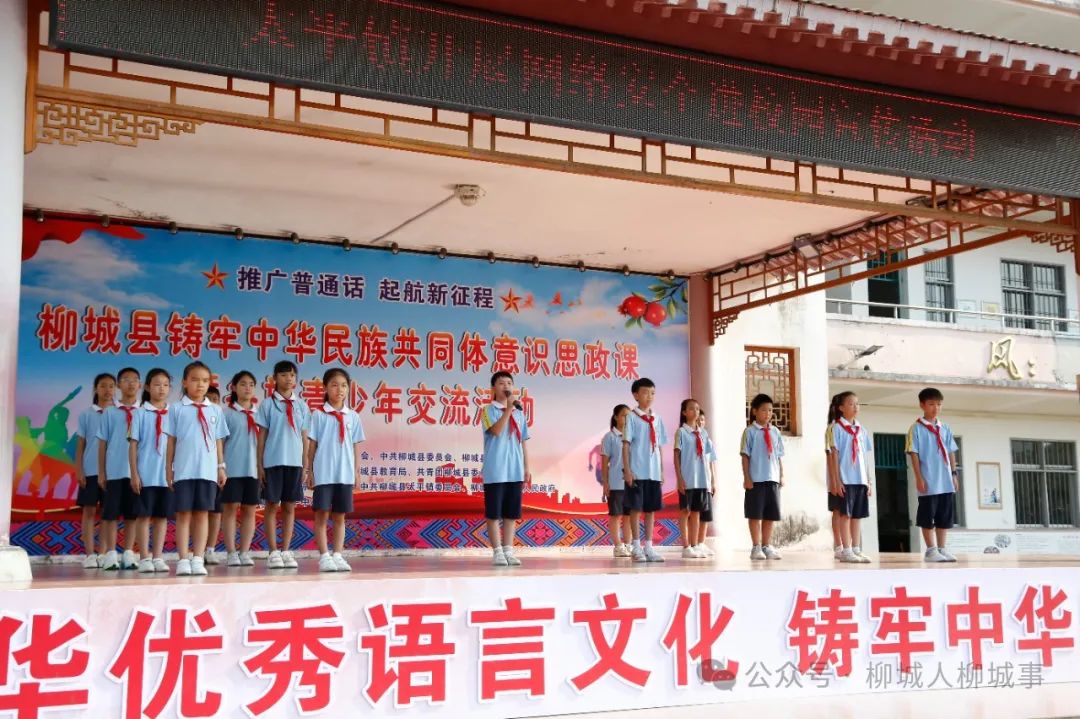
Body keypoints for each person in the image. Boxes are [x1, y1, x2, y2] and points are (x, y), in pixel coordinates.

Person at [165, 361, 229, 576]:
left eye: (204, 380)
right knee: (184, 515)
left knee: (202, 514)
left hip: (207, 471)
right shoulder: (176, 409)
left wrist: (221, 467)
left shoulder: (215, 410)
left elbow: (218, 441)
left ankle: (198, 558)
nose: (200, 385)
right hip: (183, 471)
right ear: (185, 382)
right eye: (194, 380)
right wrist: (168, 468)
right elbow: (171, 441)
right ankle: (183, 558)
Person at [306, 368, 365, 572]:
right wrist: (310, 471)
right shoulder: (318, 415)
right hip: (323, 473)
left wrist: (356, 472)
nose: (339, 389)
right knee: (322, 514)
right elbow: (312, 445)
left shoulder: (353, 416)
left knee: (340, 516)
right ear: (325, 387)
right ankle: (324, 556)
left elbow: (355, 446)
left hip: (344, 474)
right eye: (334, 385)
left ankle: (338, 555)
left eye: (343, 385)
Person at [256, 360, 311, 570]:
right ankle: (273, 551)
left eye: (292, 375)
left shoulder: (302, 406)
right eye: (284, 375)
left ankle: (286, 550)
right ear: (274, 379)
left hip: (294, 463)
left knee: (289, 507)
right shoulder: (267, 405)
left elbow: (305, 437)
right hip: (273, 462)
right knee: (271, 506)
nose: (289, 379)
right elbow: (262, 437)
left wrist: (305, 463)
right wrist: (260, 464)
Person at [480, 371, 531, 566]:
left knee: (511, 513)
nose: (506, 386)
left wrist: (526, 467)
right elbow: (495, 431)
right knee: (494, 513)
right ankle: (497, 552)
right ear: (493, 388)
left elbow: (523, 441)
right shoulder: (488, 410)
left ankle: (509, 550)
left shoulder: (520, 414)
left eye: (509, 383)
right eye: (502, 383)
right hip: (495, 470)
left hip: (515, 470)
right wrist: (508, 410)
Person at [96, 367, 142, 571]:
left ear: (140, 385)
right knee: (110, 514)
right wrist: (102, 472)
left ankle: (129, 552)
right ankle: (110, 553)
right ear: (119, 385)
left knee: (132, 514)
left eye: (134, 380)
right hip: (114, 471)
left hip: (137, 473)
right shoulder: (110, 412)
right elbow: (102, 443)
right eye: (126, 380)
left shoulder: (144, 412)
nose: (131, 383)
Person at [907, 387, 960, 563]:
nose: (936, 408)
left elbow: (951, 451)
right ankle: (931, 550)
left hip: (945, 480)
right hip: (929, 480)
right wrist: (919, 477)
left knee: (944, 516)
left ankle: (942, 548)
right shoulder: (916, 428)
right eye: (931, 404)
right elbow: (913, 453)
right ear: (922, 405)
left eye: (939, 404)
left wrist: (954, 474)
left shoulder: (945, 428)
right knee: (927, 516)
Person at [128, 368, 173, 573]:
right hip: (145, 474)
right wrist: (134, 474)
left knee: (162, 516)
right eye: (156, 384)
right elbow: (133, 445)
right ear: (147, 387)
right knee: (144, 516)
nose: (161, 389)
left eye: (165, 385)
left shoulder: (174, 413)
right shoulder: (139, 413)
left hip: (166, 475)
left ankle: (158, 556)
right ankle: (144, 557)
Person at [622, 377, 668, 563]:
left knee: (650, 510)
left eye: (652, 393)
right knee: (635, 508)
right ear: (636, 395)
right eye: (645, 393)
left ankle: (649, 546)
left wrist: (661, 470)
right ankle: (636, 546)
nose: (649, 396)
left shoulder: (657, 419)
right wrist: (627, 470)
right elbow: (626, 444)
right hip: (637, 471)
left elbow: (659, 446)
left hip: (653, 472)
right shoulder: (631, 417)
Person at [826, 391, 873, 563]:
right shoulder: (835, 428)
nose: (855, 407)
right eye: (851, 404)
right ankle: (845, 549)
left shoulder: (861, 430)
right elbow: (833, 455)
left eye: (857, 404)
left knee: (856, 515)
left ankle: (856, 548)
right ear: (841, 408)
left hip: (859, 479)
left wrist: (868, 480)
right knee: (844, 514)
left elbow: (865, 457)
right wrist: (836, 481)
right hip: (844, 479)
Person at [74, 373, 115, 569]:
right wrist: (79, 470)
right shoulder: (86, 415)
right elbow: (80, 445)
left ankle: (104, 554)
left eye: (111, 386)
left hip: (113, 472)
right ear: (96, 389)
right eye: (103, 386)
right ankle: (90, 554)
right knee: (89, 511)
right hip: (90, 471)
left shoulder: (119, 413)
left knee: (108, 513)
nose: (108, 390)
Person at [221, 371, 261, 567]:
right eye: (243, 384)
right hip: (232, 469)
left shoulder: (260, 414)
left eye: (251, 384)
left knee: (249, 510)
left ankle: (244, 551)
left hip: (254, 470)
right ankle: (231, 552)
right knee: (230, 509)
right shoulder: (226, 413)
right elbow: (220, 443)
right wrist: (220, 466)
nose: (247, 388)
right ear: (234, 388)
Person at [741, 393, 785, 560]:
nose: (768, 413)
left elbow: (779, 456)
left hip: (772, 478)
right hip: (756, 479)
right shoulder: (749, 432)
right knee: (755, 514)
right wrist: (747, 477)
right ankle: (756, 546)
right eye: (764, 410)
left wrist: (781, 475)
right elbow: (745, 456)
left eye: (770, 410)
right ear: (755, 411)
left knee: (770, 515)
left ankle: (766, 546)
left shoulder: (775, 432)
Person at [674, 399, 713, 559]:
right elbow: (676, 456)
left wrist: (710, 480)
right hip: (687, 478)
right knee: (686, 511)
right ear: (684, 412)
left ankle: (695, 544)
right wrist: (679, 478)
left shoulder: (703, 433)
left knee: (697, 512)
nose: (695, 411)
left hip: (701, 479)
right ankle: (686, 546)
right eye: (691, 409)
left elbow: (708, 457)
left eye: (697, 408)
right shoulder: (681, 432)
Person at [600, 404, 633, 558]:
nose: (627, 419)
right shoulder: (610, 437)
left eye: (629, 416)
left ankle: (628, 545)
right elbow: (604, 463)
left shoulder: (632, 436)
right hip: (616, 483)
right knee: (616, 515)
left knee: (629, 516)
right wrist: (605, 483)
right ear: (616, 417)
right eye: (624, 415)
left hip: (631, 483)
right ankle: (618, 546)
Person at [204, 385, 225, 565]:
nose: (212, 403)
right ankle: (197, 550)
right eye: (208, 399)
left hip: (217, 471)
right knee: (199, 512)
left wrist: (221, 468)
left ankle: (210, 549)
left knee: (216, 511)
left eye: (215, 400)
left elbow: (222, 445)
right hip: (199, 472)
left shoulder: (220, 417)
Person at [693, 411, 716, 556]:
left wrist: (713, 481)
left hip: (706, 482)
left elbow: (711, 462)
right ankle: (693, 544)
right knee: (695, 514)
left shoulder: (707, 440)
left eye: (702, 419)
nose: (700, 422)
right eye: (698, 419)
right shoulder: (689, 437)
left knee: (706, 515)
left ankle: (701, 543)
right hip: (695, 482)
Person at [826, 394, 846, 559]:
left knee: (847, 512)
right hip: (836, 477)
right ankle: (839, 545)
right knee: (837, 510)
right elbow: (829, 454)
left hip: (850, 478)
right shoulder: (833, 428)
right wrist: (834, 480)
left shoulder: (853, 428)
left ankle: (849, 545)